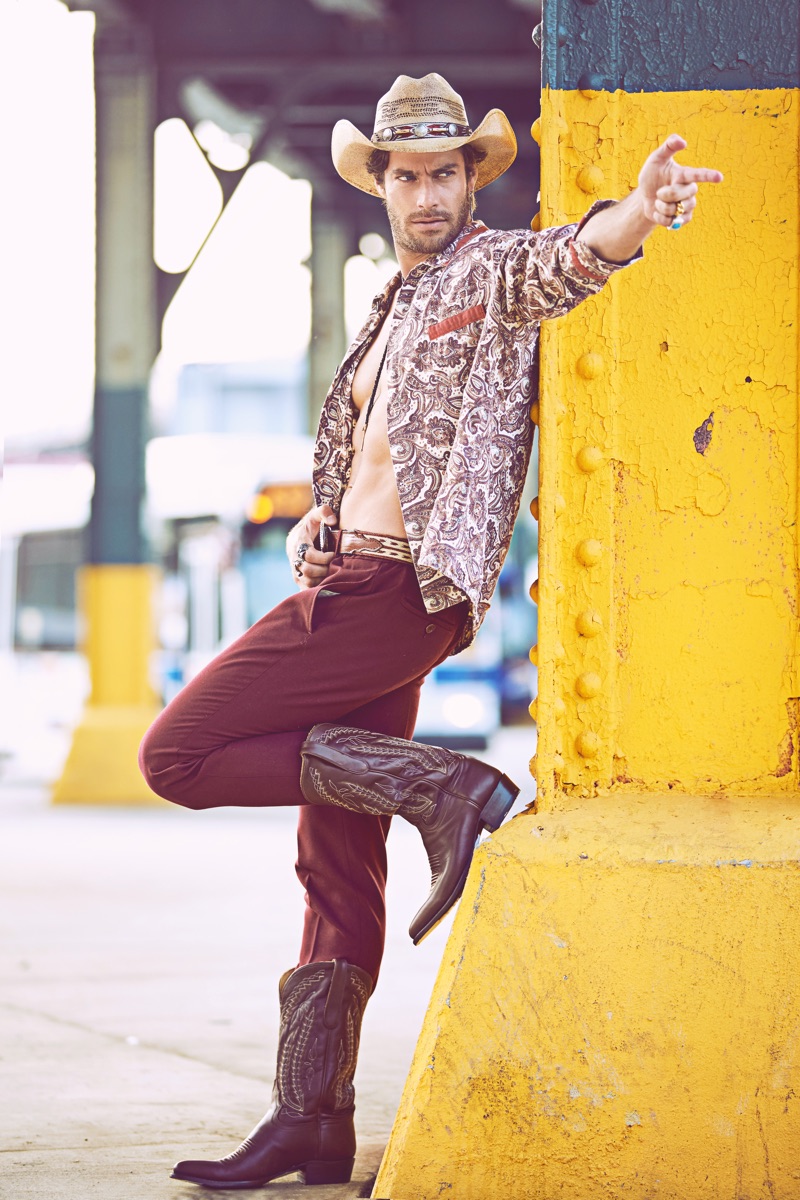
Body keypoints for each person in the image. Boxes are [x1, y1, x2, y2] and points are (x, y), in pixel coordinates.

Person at [138, 73, 722, 1189]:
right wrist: (320, 522)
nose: (423, 193)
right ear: (381, 186)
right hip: (349, 575)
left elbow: (571, 258)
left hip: (401, 595)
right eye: (404, 175)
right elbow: (365, 465)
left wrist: (639, 212)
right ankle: (311, 1119)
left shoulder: (486, 275)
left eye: (442, 172)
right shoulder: (388, 307)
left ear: (468, 179)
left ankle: (442, 788)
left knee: (177, 755)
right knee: (333, 859)